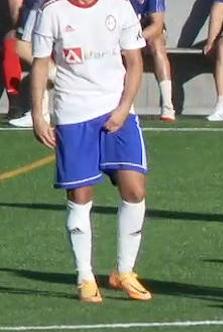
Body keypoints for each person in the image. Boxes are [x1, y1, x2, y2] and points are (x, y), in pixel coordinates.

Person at [30, 0, 151, 304]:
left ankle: (124, 272)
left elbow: (135, 62)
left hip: (117, 110)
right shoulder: (52, 12)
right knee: (80, 197)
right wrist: (38, 114)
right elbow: (41, 63)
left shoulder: (119, 6)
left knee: (134, 189)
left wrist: (123, 108)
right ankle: (84, 276)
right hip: (73, 113)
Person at [129, 0, 173, 121]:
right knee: (123, 50)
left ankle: (168, 105)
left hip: (146, 31)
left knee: (157, 44)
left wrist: (137, 38)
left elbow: (157, 25)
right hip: (125, 31)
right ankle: (127, 104)